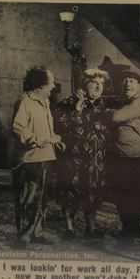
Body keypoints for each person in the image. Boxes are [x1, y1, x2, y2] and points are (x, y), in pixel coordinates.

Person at [11, 66, 65, 245]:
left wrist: (55, 141)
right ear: (40, 85)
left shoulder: (45, 102)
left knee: (43, 199)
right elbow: (18, 129)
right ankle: (24, 237)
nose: (53, 87)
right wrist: (41, 140)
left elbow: (46, 129)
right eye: (51, 83)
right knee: (30, 198)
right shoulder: (25, 101)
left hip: (47, 157)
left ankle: (37, 233)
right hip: (31, 159)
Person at [55, 69, 110, 239]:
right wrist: (76, 110)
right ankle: (69, 228)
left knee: (93, 192)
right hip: (73, 156)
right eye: (94, 83)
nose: (98, 87)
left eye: (101, 84)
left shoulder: (104, 105)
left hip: (96, 158)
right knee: (70, 192)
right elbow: (58, 126)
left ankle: (91, 228)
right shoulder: (68, 102)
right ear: (84, 85)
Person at [107, 69, 140, 242]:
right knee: (122, 197)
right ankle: (129, 232)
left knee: (132, 197)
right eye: (125, 81)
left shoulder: (138, 103)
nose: (128, 85)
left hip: (135, 158)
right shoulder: (123, 102)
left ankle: (132, 234)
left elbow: (117, 117)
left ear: (138, 86)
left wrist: (106, 112)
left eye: (132, 82)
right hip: (122, 157)